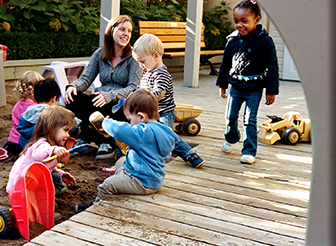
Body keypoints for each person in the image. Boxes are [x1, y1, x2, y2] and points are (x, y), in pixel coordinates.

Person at [75, 89, 201, 212]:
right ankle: (120, 180)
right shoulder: (166, 130)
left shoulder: (143, 132)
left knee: (107, 184)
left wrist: (106, 124)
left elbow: (122, 130)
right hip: (154, 178)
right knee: (120, 163)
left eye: (130, 120)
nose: (130, 124)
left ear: (141, 116)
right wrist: (192, 156)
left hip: (141, 181)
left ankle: (93, 208)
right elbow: (180, 144)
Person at [64, 15, 143, 160]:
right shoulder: (100, 54)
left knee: (103, 108)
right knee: (72, 98)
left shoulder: (133, 57)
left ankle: (100, 141)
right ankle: (97, 139)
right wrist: (72, 87)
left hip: (120, 104)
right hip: (99, 100)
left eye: (129, 31)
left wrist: (110, 96)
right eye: (122, 29)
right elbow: (85, 79)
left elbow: (133, 88)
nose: (126, 34)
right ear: (112, 30)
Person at [216, 0, 279, 164]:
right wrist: (222, 84)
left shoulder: (265, 41)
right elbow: (225, 64)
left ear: (257, 20)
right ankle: (231, 137)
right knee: (230, 116)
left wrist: (271, 90)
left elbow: (272, 66)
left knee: (249, 119)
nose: (239, 25)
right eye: (236, 21)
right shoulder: (233, 40)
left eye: (244, 21)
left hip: (255, 87)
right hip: (236, 86)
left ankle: (249, 150)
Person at [132, 33, 204, 166]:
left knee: (166, 134)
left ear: (155, 56)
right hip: (150, 114)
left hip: (164, 112)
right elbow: (142, 88)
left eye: (142, 61)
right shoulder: (148, 72)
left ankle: (189, 154)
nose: (140, 65)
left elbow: (158, 92)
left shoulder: (162, 74)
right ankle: (160, 156)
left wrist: (142, 98)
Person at [6, 105, 76, 196]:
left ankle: (51, 192)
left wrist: (61, 174)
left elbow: (45, 165)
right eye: (65, 130)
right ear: (51, 129)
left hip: (28, 180)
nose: (67, 135)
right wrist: (54, 150)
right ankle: (48, 195)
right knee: (52, 181)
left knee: (56, 176)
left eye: (69, 131)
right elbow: (38, 155)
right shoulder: (42, 144)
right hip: (20, 186)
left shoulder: (49, 145)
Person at [5, 71, 44, 155]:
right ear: (32, 92)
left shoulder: (17, 105)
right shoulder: (34, 108)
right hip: (24, 145)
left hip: (12, 143)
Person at [17, 78, 61, 151]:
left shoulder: (29, 110)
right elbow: (65, 120)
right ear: (54, 99)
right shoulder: (51, 112)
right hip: (40, 150)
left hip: (24, 148)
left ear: (34, 98)